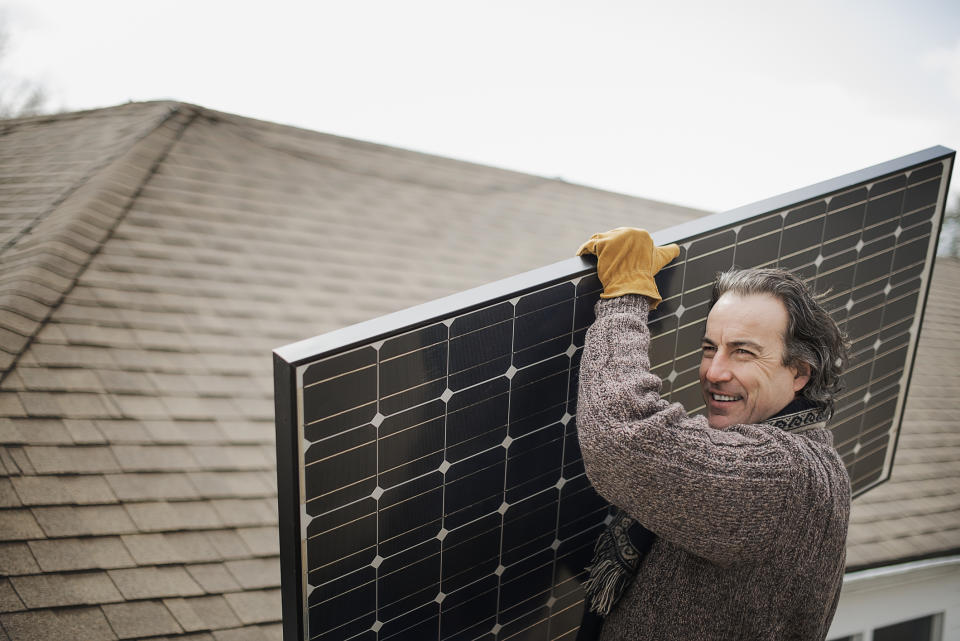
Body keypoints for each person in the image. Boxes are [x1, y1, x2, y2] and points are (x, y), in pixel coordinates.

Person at [574, 228, 851, 641]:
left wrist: (625, 299)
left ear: (799, 373)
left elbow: (622, 437)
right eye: (709, 348)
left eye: (743, 351)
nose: (714, 372)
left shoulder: (785, 476)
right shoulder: (795, 453)